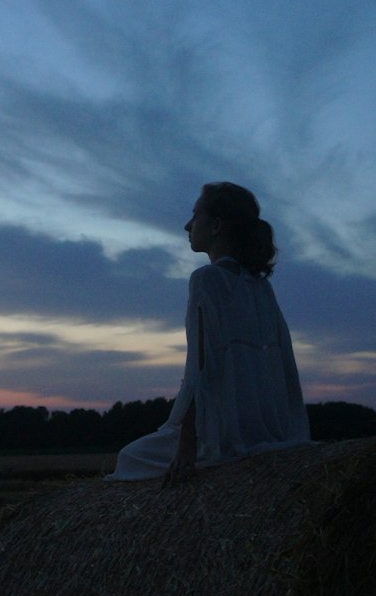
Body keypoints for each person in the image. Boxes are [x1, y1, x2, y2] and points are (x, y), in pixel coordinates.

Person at [106, 182, 310, 485]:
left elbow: (202, 367)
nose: (187, 226)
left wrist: (187, 443)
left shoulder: (207, 279)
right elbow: (282, 367)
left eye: (195, 216)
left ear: (216, 226)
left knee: (129, 458)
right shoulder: (260, 286)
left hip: (220, 432)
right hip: (262, 429)